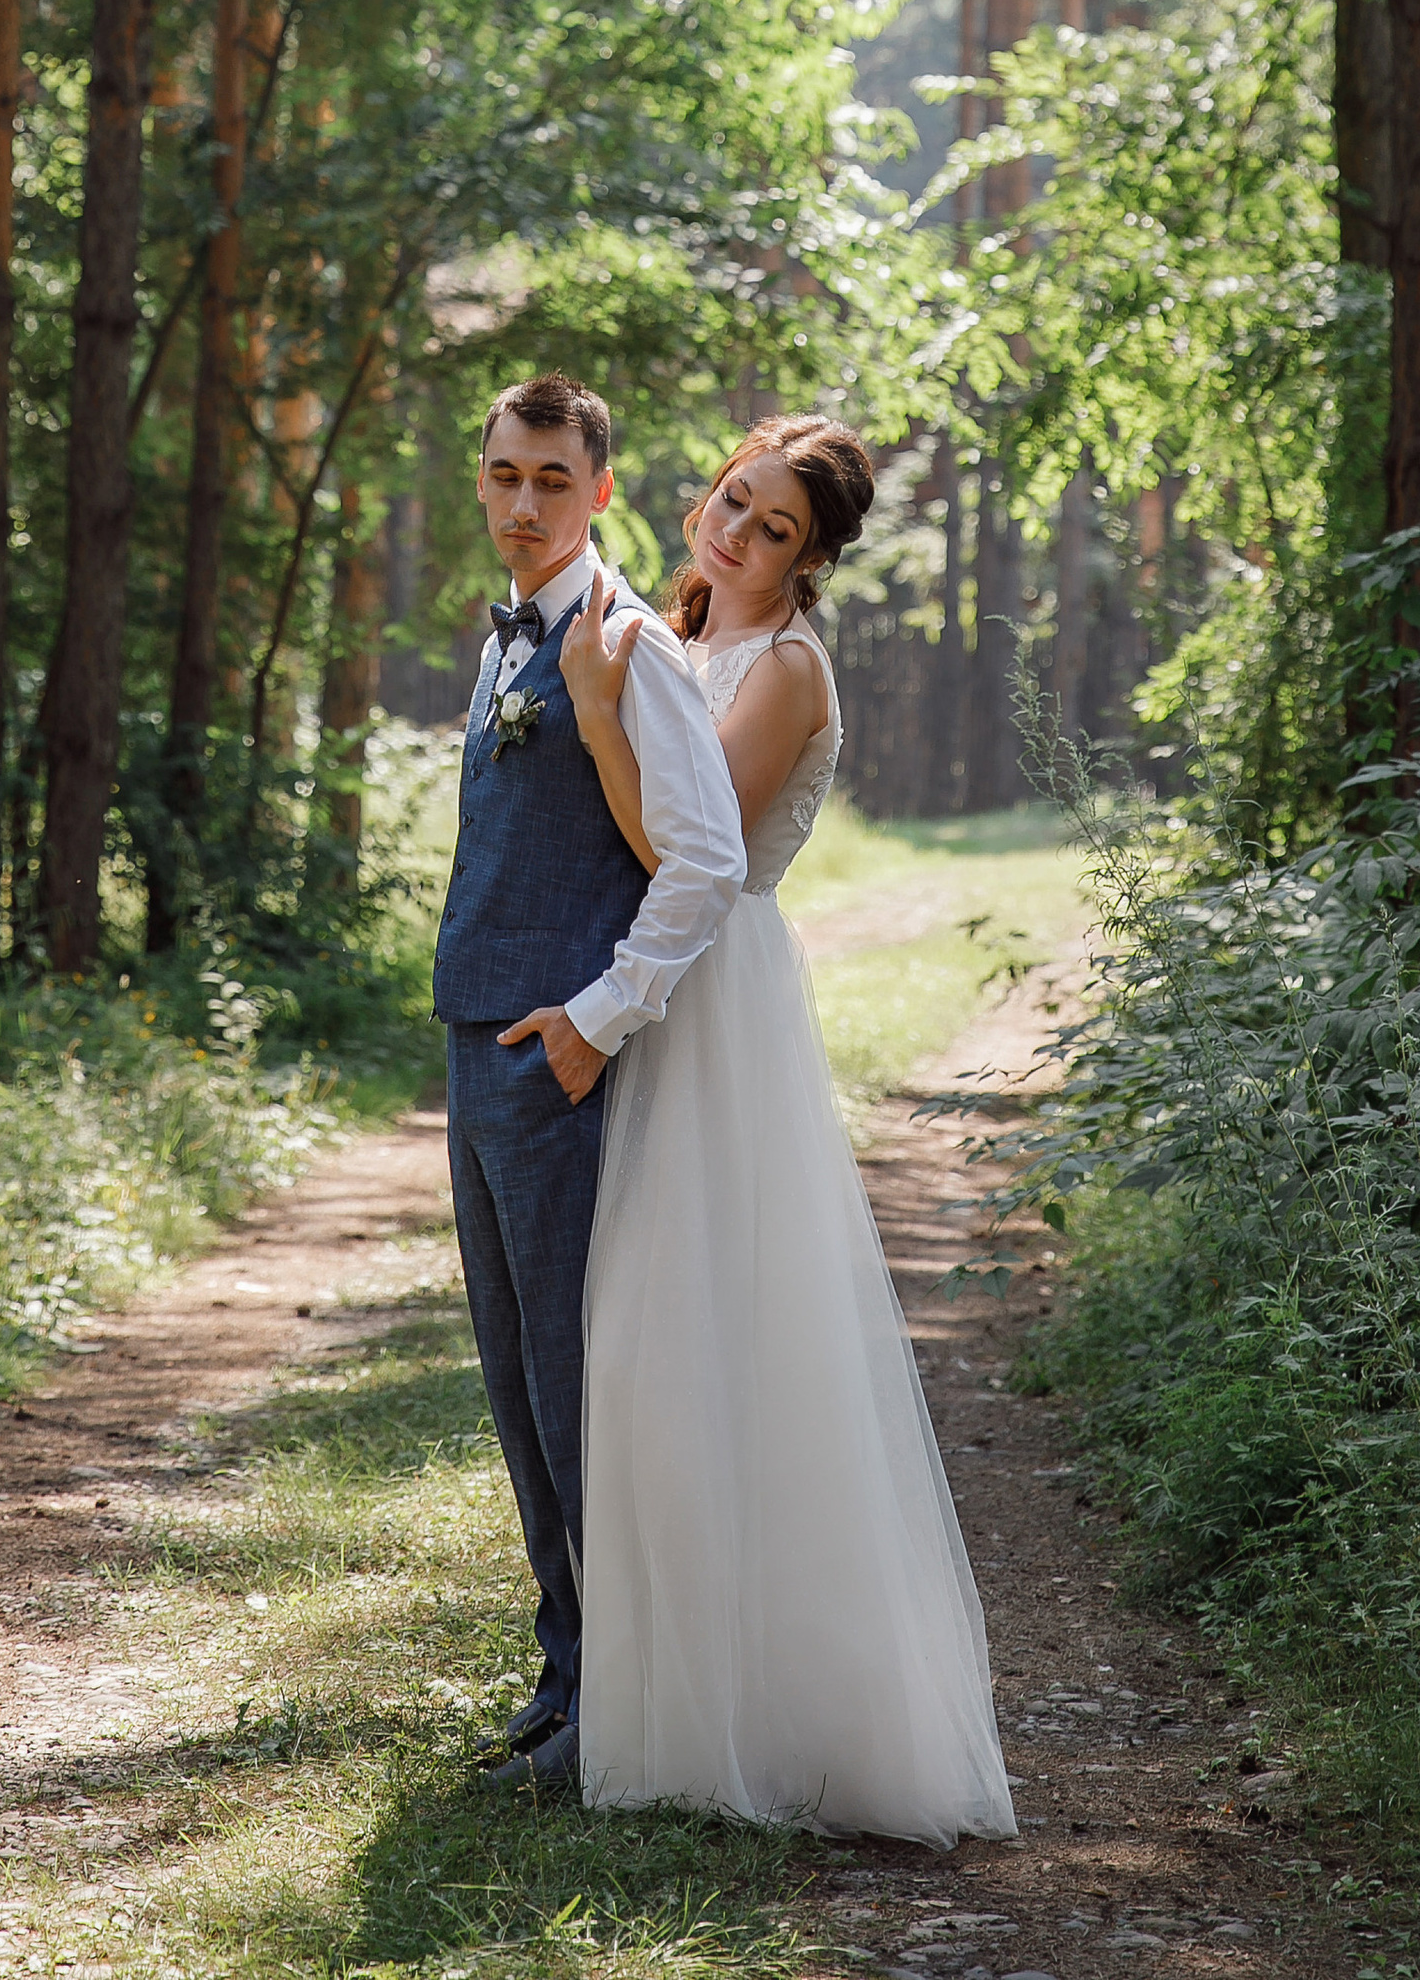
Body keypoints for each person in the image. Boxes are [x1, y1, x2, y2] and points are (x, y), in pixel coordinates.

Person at [563, 415, 1018, 1847]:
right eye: (731, 501)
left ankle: (780, 1718)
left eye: (771, 529)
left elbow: (676, 850)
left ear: (811, 558)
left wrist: (592, 713)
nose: (734, 533)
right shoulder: (680, 627)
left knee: (718, 1335)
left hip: (721, 1008)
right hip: (656, 984)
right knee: (639, 1347)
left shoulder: (787, 669)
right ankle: (660, 1709)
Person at [432, 369, 746, 1803]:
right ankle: (566, 1669)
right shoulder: (504, 637)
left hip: (552, 1060)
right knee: (512, 1380)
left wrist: (598, 1021)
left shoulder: (627, 647)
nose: (522, 501)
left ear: (601, 490)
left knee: (573, 1388)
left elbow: (709, 861)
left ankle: (614, 1704)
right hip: (472, 1044)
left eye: (552, 479)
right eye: (504, 474)